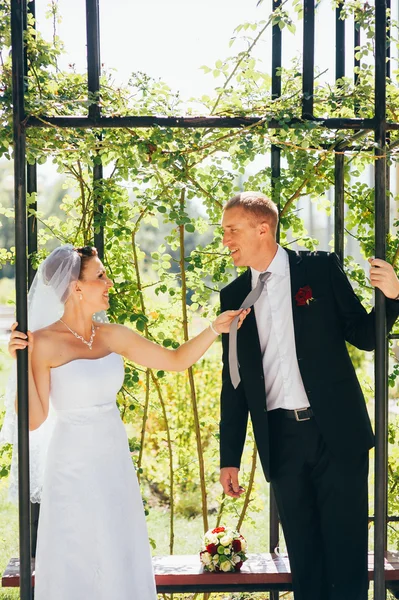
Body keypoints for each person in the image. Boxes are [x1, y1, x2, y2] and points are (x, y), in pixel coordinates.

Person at [5, 243, 248, 600]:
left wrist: (214, 328)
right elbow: (35, 419)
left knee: (118, 547)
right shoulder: (41, 343)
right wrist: (20, 363)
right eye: (100, 276)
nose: (109, 282)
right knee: (76, 552)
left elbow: (176, 359)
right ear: (76, 287)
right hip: (70, 465)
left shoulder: (113, 335)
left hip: (113, 459)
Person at [218, 191, 399, 600]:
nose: (225, 239)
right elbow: (234, 383)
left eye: (232, 230)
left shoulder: (317, 270)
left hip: (337, 435)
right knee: (305, 557)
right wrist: (229, 455)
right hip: (281, 441)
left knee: (346, 553)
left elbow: (364, 336)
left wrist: (394, 296)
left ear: (263, 228)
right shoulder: (233, 297)